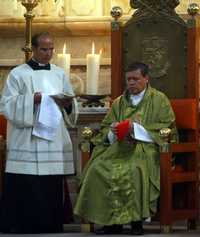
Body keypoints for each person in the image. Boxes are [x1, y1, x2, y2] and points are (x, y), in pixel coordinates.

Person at [74, 62, 178, 235]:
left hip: (145, 148)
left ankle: (136, 222)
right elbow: (105, 127)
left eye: (135, 79)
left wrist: (136, 129)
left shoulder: (159, 99)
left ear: (146, 79)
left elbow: (166, 128)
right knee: (98, 168)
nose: (131, 83)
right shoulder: (119, 102)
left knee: (135, 168)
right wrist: (113, 131)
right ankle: (111, 223)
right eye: (128, 79)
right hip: (118, 148)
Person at [0, 32, 78, 233]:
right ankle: (22, 225)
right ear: (33, 49)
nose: (48, 53)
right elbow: (6, 105)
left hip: (52, 137)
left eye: (51, 49)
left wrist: (67, 104)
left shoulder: (59, 73)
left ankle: (50, 224)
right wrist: (31, 100)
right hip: (27, 138)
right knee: (27, 181)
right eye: (44, 49)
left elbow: (70, 103)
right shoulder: (18, 74)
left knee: (49, 182)